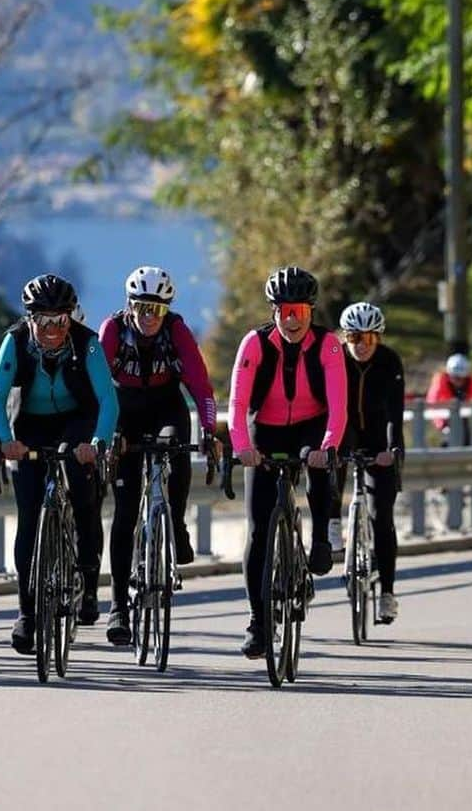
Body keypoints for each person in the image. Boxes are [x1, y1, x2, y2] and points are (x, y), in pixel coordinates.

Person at [0, 274, 117, 655]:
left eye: (59, 321)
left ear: (70, 318)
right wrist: (3, 439)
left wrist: (98, 443)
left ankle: (89, 585)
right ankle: (27, 614)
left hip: (77, 420)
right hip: (29, 423)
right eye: (42, 321)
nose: (50, 330)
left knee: (84, 494)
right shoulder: (14, 341)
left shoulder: (86, 343)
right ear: (29, 319)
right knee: (28, 518)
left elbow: (108, 400)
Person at [228, 265, 347, 658]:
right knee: (259, 530)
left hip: (311, 426)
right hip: (267, 427)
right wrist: (243, 447)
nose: (292, 319)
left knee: (317, 467)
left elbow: (338, 407)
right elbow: (238, 403)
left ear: (311, 311)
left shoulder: (329, 345)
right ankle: (258, 623)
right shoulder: (255, 344)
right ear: (273, 312)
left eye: (300, 310)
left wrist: (327, 445)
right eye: (284, 311)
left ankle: (319, 540)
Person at [98, 266, 217, 645]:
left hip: (167, 407)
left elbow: (201, 384)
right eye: (143, 308)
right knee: (126, 508)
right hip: (123, 411)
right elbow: (96, 388)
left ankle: (176, 524)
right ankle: (118, 605)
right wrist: (104, 434)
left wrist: (210, 430)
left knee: (176, 451)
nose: (150, 318)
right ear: (129, 305)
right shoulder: (112, 331)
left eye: (158, 310)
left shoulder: (177, 330)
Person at [338, 301, 404, 624]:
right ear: (345, 338)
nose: (361, 345)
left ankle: (388, 594)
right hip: (346, 432)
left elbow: (395, 412)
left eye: (369, 338)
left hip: (381, 442)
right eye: (353, 337)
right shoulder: (336, 359)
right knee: (331, 460)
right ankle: (332, 526)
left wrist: (392, 448)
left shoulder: (390, 361)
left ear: (378, 338)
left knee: (381, 515)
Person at [426, 353, 472, 446]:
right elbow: (432, 405)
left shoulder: (471, 383)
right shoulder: (440, 382)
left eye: (461, 378)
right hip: (445, 420)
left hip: (463, 418)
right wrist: (442, 425)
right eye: (455, 377)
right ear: (449, 374)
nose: (458, 381)